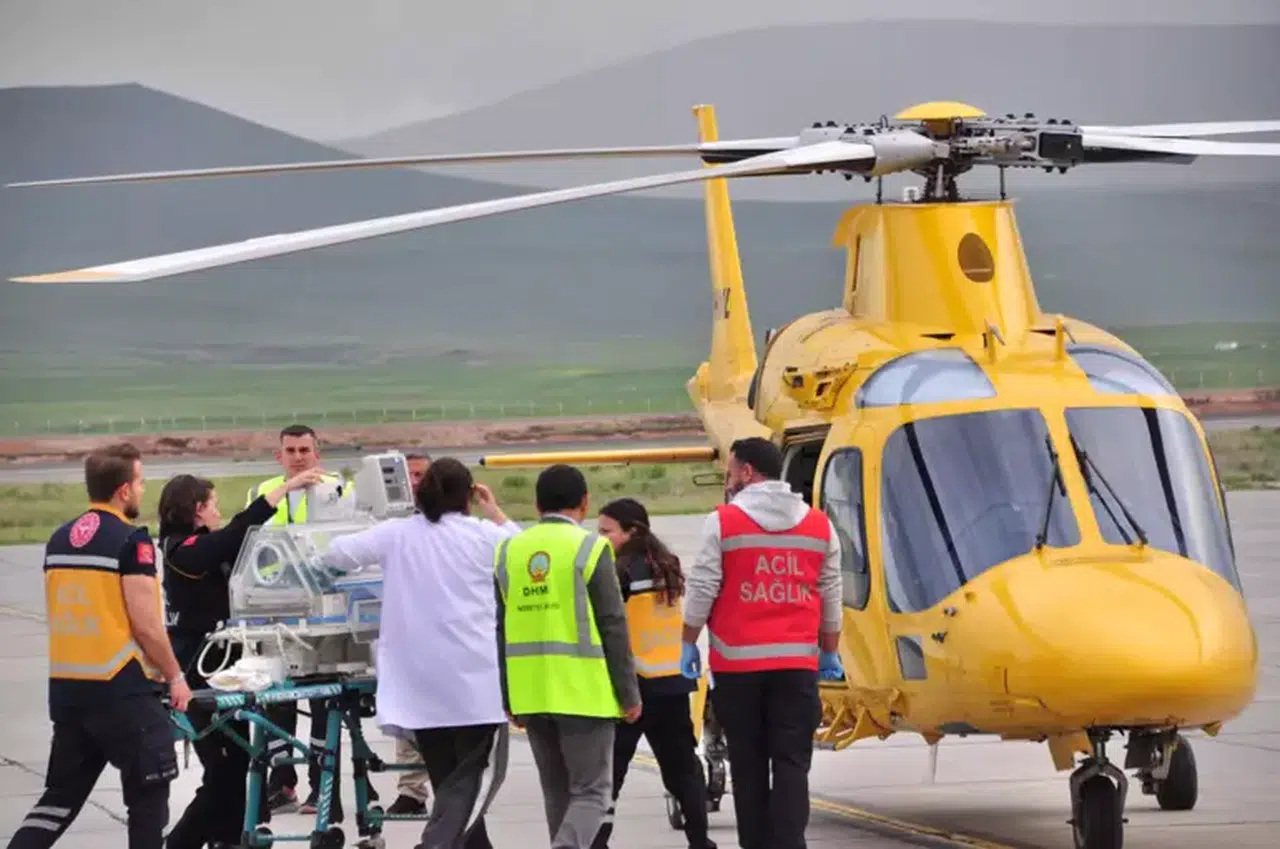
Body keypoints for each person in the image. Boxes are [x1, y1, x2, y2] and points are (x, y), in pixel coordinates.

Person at [325, 457, 520, 849]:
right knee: (465, 784)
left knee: (448, 779)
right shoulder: (483, 535)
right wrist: (495, 511)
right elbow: (524, 549)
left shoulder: (397, 534)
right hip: (472, 683)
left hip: (419, 685)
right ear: (468, 496)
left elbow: (336, 554)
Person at [9, 443, 193, 849]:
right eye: (141, 483)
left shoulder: (59, 540)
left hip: (70, 688)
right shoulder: (131, 541)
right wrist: (176, 676)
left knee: (57, 801)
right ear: (124, 490)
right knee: (149, 796)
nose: (143, 492)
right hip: (121, 688)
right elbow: (146, 625)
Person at [679, 437, 844, 849]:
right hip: (796, 668)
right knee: (791, 765)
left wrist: (688, 640)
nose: (728, 478)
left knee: (749, 767)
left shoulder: (723, 522)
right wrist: (829, 649)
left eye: (731, 470)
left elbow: (702, 587)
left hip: (738, 672)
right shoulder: (819, 525)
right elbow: (830, 593)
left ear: (748, 472)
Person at [157, 467, 328, 849]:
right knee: (223, 774)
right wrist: (282, 491)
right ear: (197, 509)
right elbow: (233, 536)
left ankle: (228, 840)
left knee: (236, 768)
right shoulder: (180, 549)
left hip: (222, 669)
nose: (218, 511)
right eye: (213, 504)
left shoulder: (199, 547)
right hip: (199, 675)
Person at [494, 464, 642, 849]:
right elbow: (613, 623)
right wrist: (628, 694)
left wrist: (508, 695)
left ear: (537, 504)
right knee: (593, 792)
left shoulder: (509, 549)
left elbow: (501, 628)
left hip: (531, 692)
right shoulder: (591, 547)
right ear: (585, 502)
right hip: (583, 691)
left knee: (557, 793)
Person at [243, 423, 368, 818]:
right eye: (291, 450)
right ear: (278, 455)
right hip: (276, 607)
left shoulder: (340, 489)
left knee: (323, 701)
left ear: (318, 453)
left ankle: (321, 788)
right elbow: (251, 545)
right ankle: (282, 785)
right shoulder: (263, 493)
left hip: (323, 607)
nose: (298, 457)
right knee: (276, 698)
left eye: (305, 450)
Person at [590, 499, 716, 849]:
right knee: (682, 771)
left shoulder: (618, 570)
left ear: (631, 532)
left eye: (606, 531)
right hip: (672, 683)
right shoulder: (667, 564)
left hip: (632, 686)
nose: (599, 537)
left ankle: (598, 842)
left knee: (609, 775)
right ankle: (700, 841)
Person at [384, 450, 435, 816]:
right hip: (403, 628)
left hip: (437, 630)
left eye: (421, 475)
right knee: (406, 716)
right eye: (409, 475)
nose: (415, 483)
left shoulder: (448, 520)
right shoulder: (391, 521)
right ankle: (411, 790)